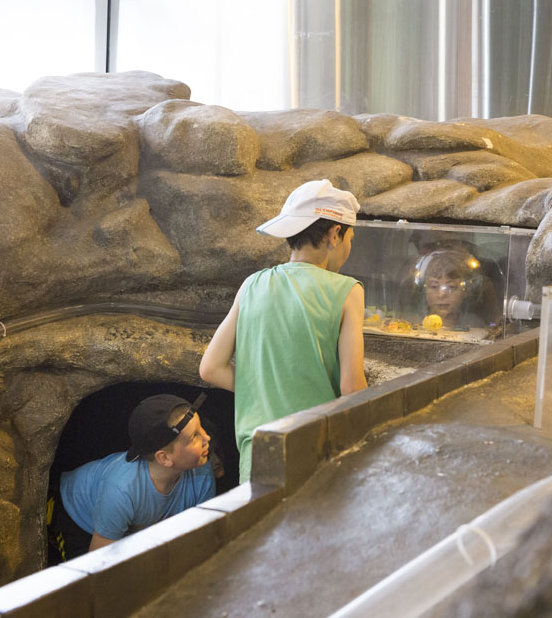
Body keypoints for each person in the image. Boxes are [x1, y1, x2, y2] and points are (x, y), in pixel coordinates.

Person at [199, 179, 369, 482]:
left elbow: (210, 368)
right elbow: (352, 388)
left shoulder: (252, 284)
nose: (350, 248)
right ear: (334, 234)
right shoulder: (347, 290)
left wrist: (266, 391)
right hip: (314, 447)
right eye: (350, 238)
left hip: (257, 453)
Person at [48, 393, 215, 561]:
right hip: (77, 518)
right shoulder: (121, 490)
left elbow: (202, 540)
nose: (207, 437)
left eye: (201, 429)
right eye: (194, 437)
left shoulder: (201, 472)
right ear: (164, 458)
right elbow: (98, 566)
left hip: (133, 528)